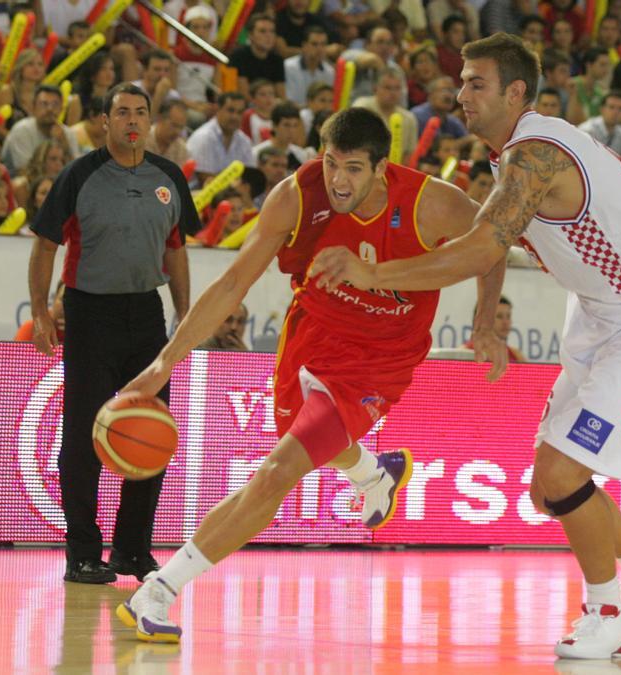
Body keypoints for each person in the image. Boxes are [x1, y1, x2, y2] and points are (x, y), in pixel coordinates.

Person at [311, 33, 621, 660]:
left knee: (562, 473)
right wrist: (486, 323)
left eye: (476, 83)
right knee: (546, 490)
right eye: (461, 81)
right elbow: (486, 237)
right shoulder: (512, 160)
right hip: (601, 313)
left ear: (516, 92)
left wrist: (373, 274)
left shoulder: (537, 154)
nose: (460, 94)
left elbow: (479, 246)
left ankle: (607, 610)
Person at [115, 106, 495, 642]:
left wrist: (486, 321)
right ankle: (373, 474)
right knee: (304, 443)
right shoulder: (295, 196)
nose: (339, 180)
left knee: (278, 470)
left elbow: (492, 243)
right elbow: (231, 285)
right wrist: (163, 363)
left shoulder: (430, 202)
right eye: (332, 162)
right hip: (310, 337)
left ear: (382, 168)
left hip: (376, 363)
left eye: (355, 169)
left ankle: (161, 587)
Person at [27, 83, 200, 585]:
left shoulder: (168, 176)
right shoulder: (79, 174)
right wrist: (41, 311)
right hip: (88, 314)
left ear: (150, 121)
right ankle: (82, 552)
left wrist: (184, 312)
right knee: (82, 436)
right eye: (121, 111)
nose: (131, 120)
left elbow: (175, 248)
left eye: (140, 112)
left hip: (146, 314)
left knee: (151, 431)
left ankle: (132, 550)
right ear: (103, 120)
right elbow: (44, 247)